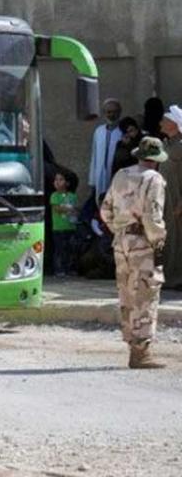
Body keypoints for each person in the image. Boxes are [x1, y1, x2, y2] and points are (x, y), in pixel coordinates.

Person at [100, 136, 168, 369]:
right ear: (156, 160)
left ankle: (133, 348)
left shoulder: (120, 175)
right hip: (143, 243)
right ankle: (142, 352)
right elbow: (153, 216)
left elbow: (105, 209)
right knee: (146, 294)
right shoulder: (154, 179)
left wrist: (120, 231)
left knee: (127, 293)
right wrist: (157, 240)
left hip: (121, 242)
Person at [159, 104, 182, 290]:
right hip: (165, 198)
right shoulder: (166, 144)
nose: (161, 124)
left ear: (174, 123)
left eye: (165, 121)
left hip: (177, 199)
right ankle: (169, 275)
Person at [88, 98, 123, 202]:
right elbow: (94, 156)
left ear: (119, 113)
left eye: (114, 112)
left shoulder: (123, 131)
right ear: (104, 113)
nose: (111, 115)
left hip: (117, 175)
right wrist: (92, 180)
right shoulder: (99, 131)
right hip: (100, 174)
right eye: (108, 112)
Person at [50, 171, 78, 277]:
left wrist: (72, 210)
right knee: (59, 249)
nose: (57, 182)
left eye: (61, 179)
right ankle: (59, 269)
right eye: (56, 180)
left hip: (70, 226)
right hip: (58, 228)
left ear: (67, 183)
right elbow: (56, 208)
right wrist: (68, 208)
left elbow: (75, 209)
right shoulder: (54, 196)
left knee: (70, 249)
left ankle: (69, 268)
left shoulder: (72, 196)